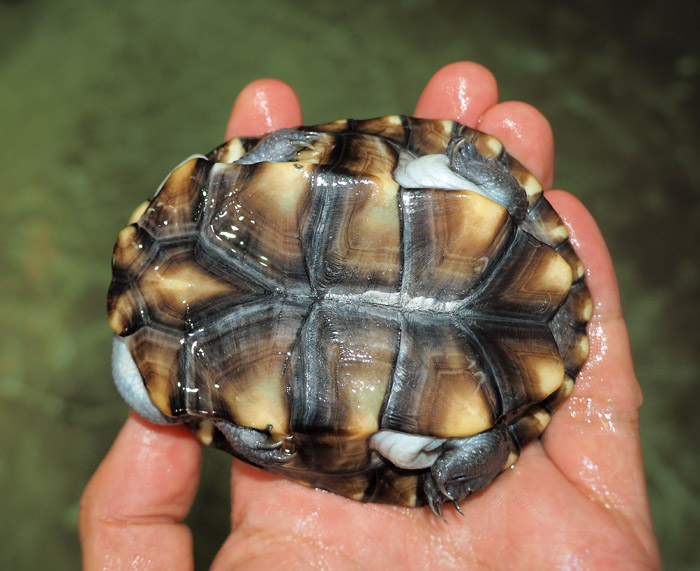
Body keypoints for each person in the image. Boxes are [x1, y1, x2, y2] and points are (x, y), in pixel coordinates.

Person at [79, 62, 661, 570]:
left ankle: (450, 441)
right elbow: (284, 157)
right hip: (468, 245)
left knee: (363, 439)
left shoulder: (196, 232)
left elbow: (257, 436)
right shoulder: (205, 197)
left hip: (472, 281)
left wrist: (270, 446)